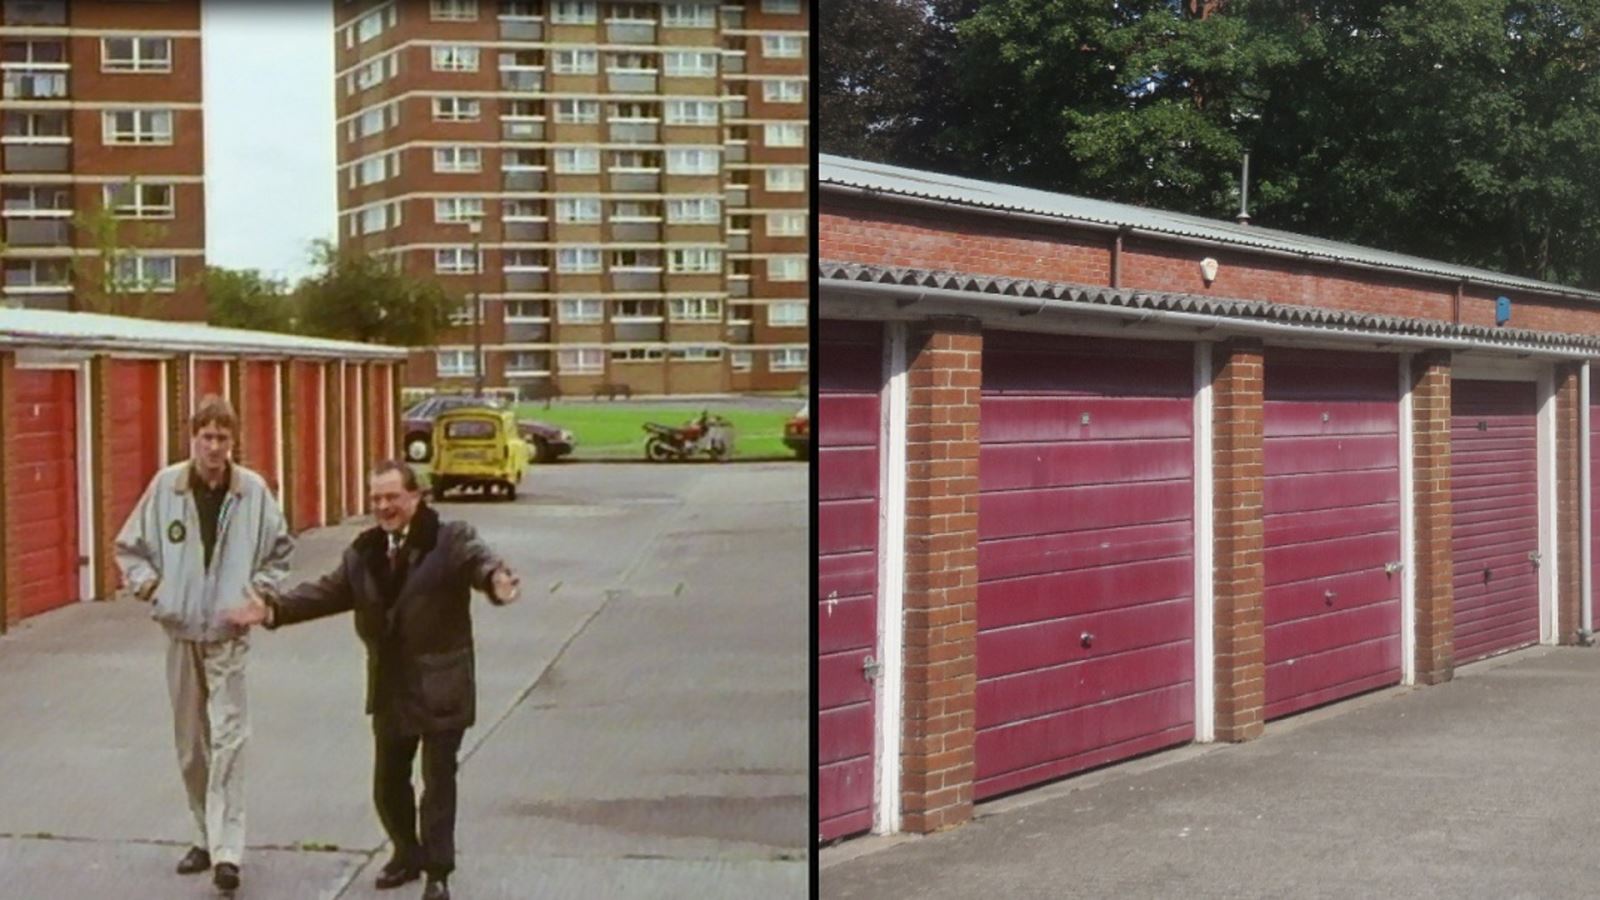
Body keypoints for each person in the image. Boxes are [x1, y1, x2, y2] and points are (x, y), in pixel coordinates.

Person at [227, 460, 520, 900]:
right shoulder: (364, 553)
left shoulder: (449, 539)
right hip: (392, 685)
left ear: (415, 497)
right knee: (388, 783)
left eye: (392, 498)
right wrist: (273, 610)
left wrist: (496, 582)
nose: (384, 507)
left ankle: (438, 873)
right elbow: (327, 592)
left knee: (438, 782)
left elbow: (481, 563)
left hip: (442, 685)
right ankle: (407, 853)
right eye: (376, 498)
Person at [114, 394, 294, 893]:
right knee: (193, 747)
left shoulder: (252, 492)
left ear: (234, 442)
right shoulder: (167, 488)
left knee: (230, 740)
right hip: (181, 631)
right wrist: (153, 587)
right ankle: (204, 834)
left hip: (229, 635)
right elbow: (129, 547)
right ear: (192, 437)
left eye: (223, 437)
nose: (214, 446)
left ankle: (227, 852)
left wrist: (259, 593)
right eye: (206, 436)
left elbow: (280, 549)